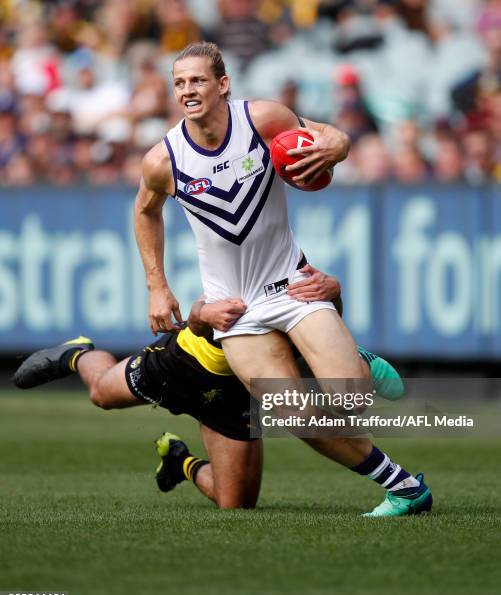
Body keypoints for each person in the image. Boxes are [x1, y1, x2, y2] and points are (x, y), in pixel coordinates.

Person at [133, 41, 431, 514]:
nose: (188, 91)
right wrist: (156, 284)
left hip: (292, 287)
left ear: (222, 84)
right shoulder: (163, 160)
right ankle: (406, 489)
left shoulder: (263, 119)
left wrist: (338, 145)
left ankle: (356, 360)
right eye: (180, 83)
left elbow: (330, 138)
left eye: (198, 80)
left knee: (348, 403)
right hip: (237, 311)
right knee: (292, 411)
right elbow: (146, 212)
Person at [13, 271, 431, 517]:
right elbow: (197, 317)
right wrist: (201, 315)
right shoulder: (235, 260)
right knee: (102, 394)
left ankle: (181, 463)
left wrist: (335, 292)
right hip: (185, 367)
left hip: (236, 393)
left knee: (236, 505)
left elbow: (327, 314)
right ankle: (79, 354)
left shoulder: (291, 264)